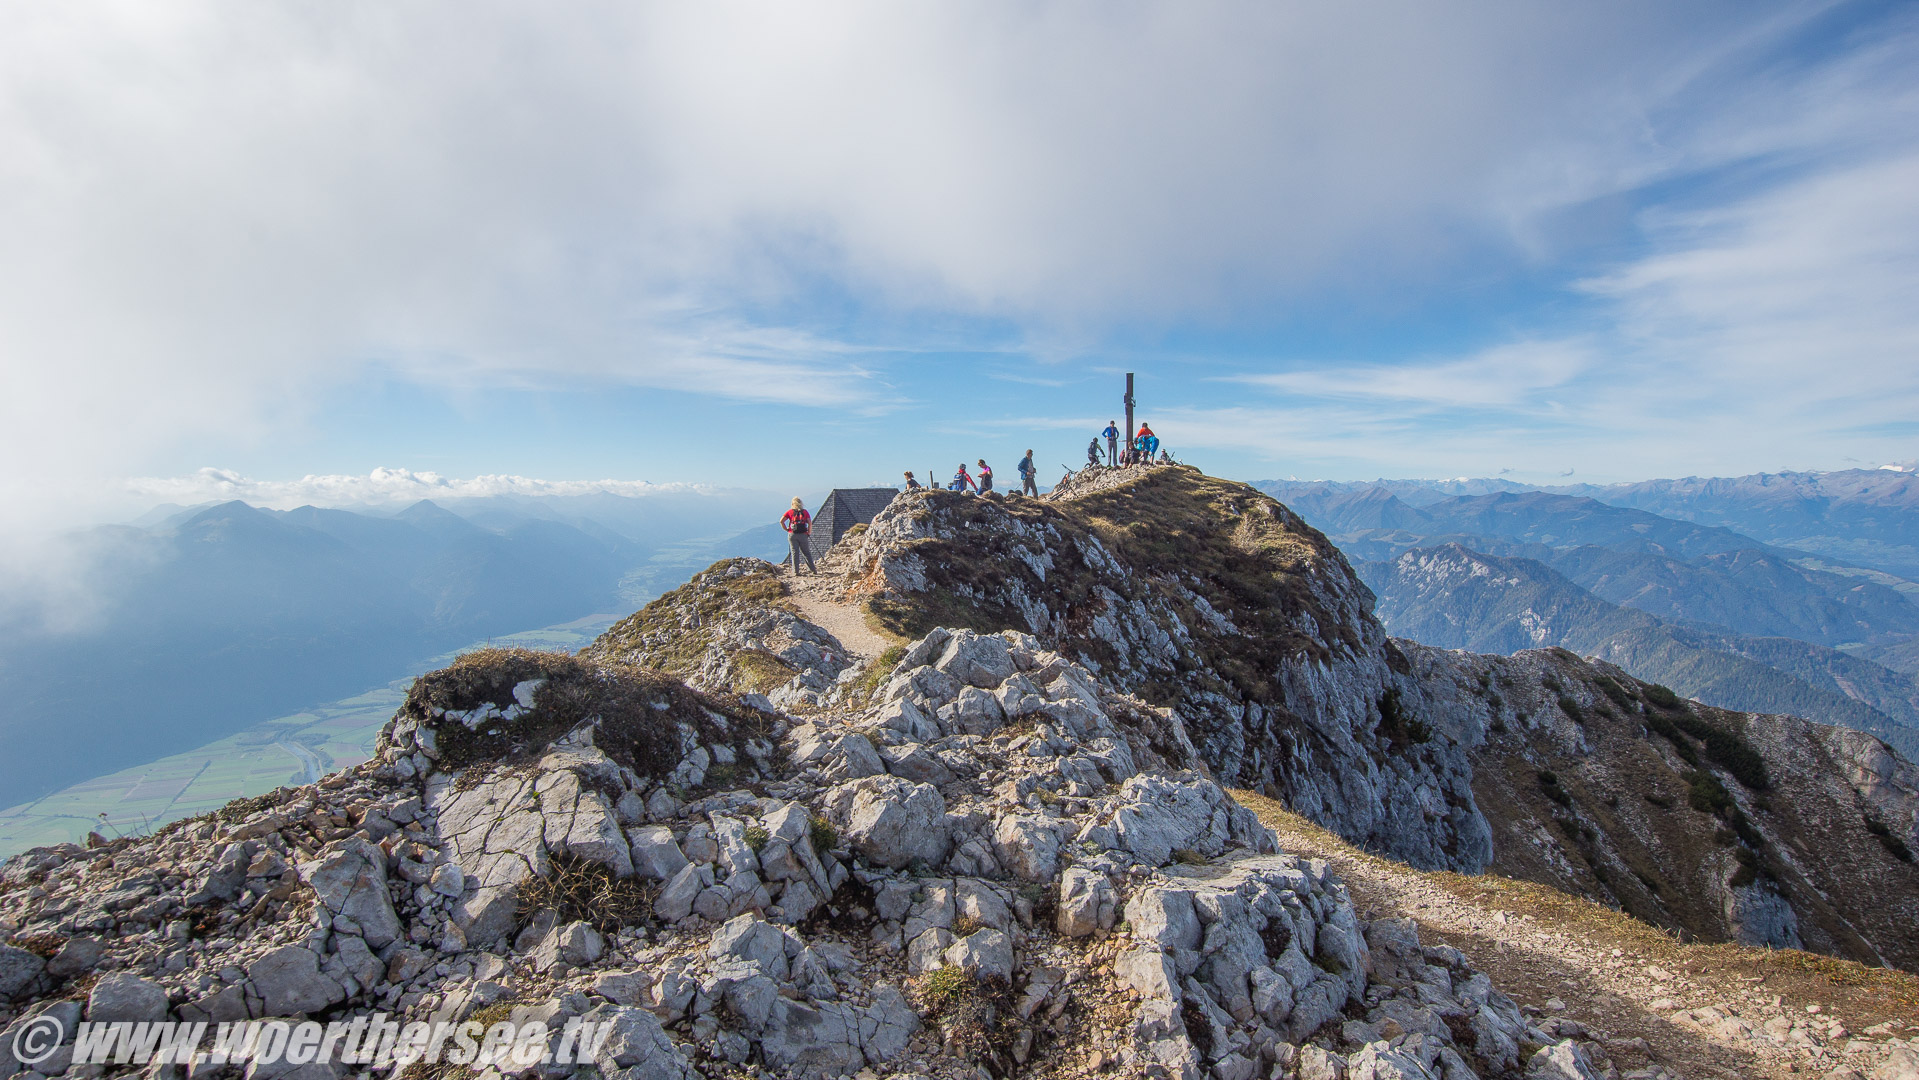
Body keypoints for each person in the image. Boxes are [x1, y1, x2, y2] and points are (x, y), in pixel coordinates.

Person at [781, 497, 816, 576]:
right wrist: (808, 532)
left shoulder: (790, 512)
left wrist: (786, 529)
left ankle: (796, 572)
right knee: (806, 552)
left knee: (794, 552)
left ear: (792, 504)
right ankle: (813, 570)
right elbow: (810, 523)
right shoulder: (805, 512)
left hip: (792, 534)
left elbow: (781, 521)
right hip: (803, 534)